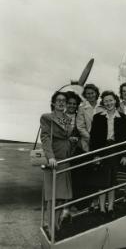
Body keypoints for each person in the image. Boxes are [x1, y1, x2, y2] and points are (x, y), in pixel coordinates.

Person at [89, 91, 126, 218]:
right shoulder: (98, 117)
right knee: (102, 181)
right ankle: (102, 209)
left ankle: (110, 207)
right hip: (102, 151)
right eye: (106, 101)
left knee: (112, 180)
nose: (108, 103)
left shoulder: (123, 117)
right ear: (103, 103)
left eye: (111, 100)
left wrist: (125, 155)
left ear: (115, 101)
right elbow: (93, 138)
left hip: (116, 151)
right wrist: (95, 155)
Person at [40, 91, 74, 231]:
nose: (61, 102)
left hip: (65, 159)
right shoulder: (47, 117)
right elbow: (45, 138)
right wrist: (50, 157)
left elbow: (65, 137)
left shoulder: (67, 118)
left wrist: (71, 141)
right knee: (52, 195)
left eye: (64, 101)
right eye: (58, 100)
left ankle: (56, 224)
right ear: (53, 103)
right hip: (54, 160)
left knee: (62, 196)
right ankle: (52, 226)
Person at [76, 84, 100, 152]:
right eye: (88, 94)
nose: (91, 95)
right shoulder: (82, 108)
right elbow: (80, 127)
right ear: (85, 95)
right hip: (88, 141)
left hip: (102, 140)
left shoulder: (102, 105)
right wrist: (90, 139)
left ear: (96, 93)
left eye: (92, 93)